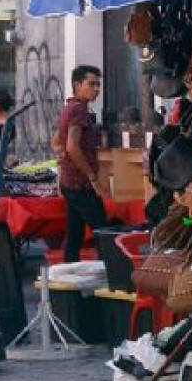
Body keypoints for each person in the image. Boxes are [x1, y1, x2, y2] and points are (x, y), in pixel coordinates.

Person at [57, 65, 110, 263]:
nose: (96, 89)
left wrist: (64, 162)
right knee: (104, 231)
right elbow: (72, 146)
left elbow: (57, 142)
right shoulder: (78, 110)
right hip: (80, 183)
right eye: (91, 84)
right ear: (77, 85)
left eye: (98, 84)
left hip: (70, 180)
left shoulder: (71, 108)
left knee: (75, 234)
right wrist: (93, 177)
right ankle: (113, 277)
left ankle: (69, 280)